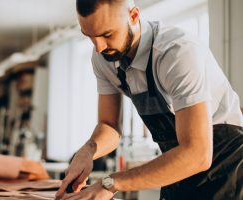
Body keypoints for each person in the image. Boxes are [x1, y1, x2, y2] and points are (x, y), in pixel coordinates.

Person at [55, 0, 243, 199]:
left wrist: (111, 183)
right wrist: (89, 150)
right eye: (90, 37)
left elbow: (197, 154)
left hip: (226, 168)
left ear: (134, 16)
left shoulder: (176, 53)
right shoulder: (104, 58)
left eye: (107, 34)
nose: (99, 47)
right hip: (178, 165)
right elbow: (109, 124)